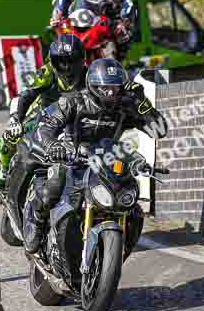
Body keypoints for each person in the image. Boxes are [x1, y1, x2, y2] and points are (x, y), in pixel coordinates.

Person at [20, 58, 167, 254]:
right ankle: (36, 224)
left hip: (105, 162)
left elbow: (160, 130)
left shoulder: (124, 106)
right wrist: (53, 145)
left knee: (132, 208)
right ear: (93, 85)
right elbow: (46, 127)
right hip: (72, 159)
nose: (110, 93)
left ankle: (115, 250)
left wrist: (143, 103)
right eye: (105, 88)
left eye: (115, 88)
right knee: (52, 190)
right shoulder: (73, 100)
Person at [0, 34, 86, 190]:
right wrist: (16, 119)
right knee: (12, 134)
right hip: (44, 113)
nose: (66, 67)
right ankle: (4, 168)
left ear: (81, 60)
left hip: (73, 117)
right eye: (60, 61)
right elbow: (26, 96)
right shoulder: (46, 72)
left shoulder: (89, 75)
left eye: (71, 61)